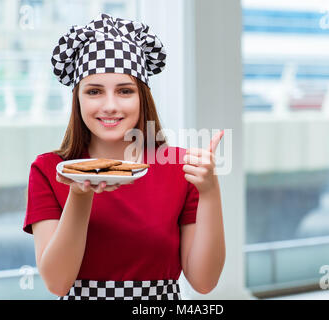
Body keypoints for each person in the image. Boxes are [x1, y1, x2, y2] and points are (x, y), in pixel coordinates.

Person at [23, 13, 225, 300]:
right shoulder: (48, 170)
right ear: (77, 99)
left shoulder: (181, 167)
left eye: (125, 91)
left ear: (142, 98)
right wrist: (80, 195)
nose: (110, 106)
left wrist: (210, 191)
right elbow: (57, 283)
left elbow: (204, 282)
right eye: (94, 91)